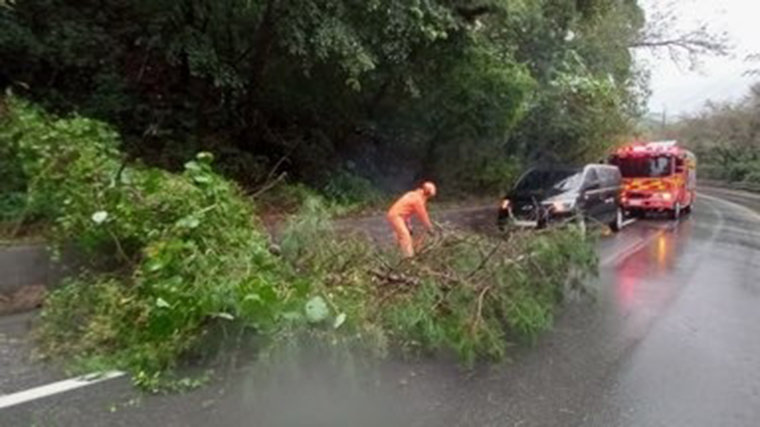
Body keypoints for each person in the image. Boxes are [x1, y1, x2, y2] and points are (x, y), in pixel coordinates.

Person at [386, 182, 437, 257]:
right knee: (405, 236)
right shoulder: (418, 200)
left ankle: (394, 254)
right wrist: (430, 229)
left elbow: (405, 210)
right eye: (429, 196)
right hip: (397, 216)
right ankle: (409, 257)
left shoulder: (412, 194)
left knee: (400, 236)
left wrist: (409, 225)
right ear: (427, 193)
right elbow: (423, 216)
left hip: (398, 216)